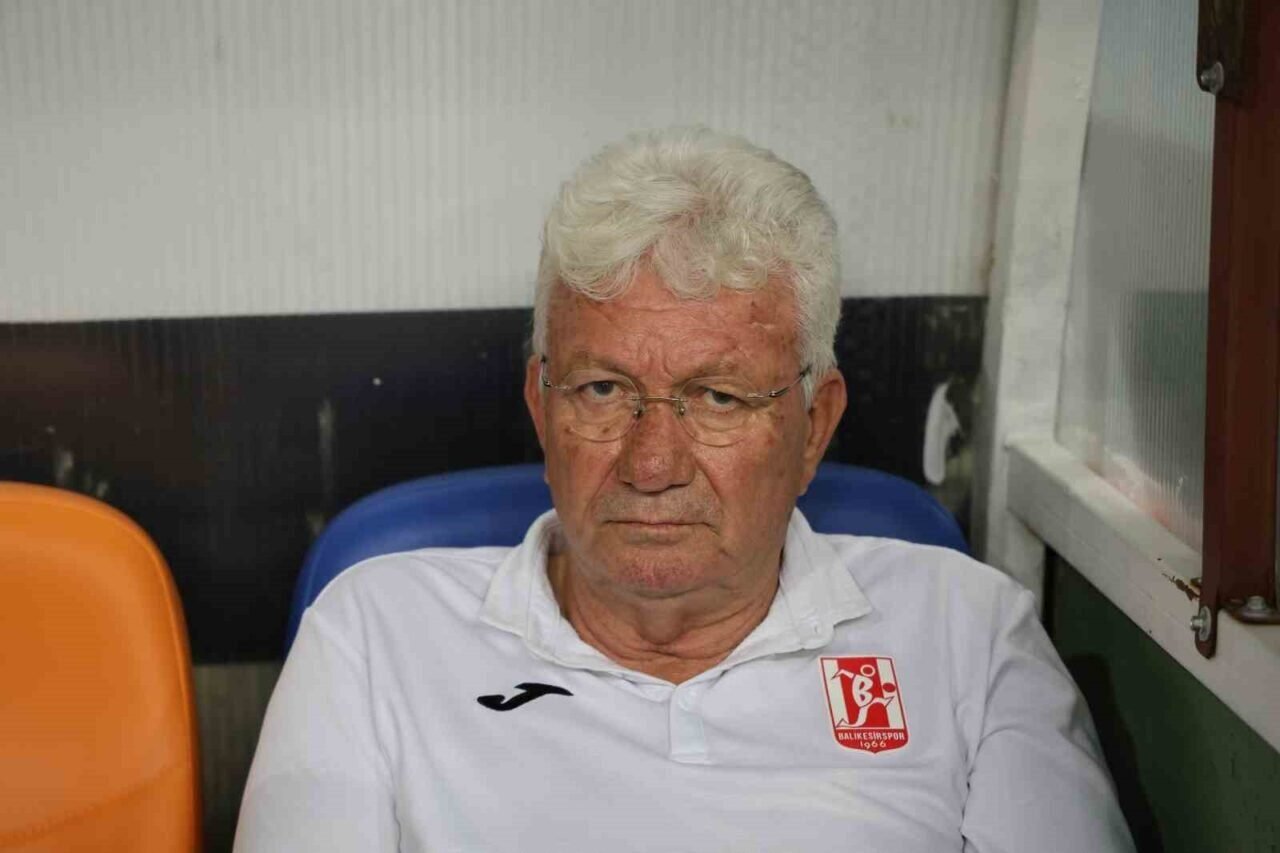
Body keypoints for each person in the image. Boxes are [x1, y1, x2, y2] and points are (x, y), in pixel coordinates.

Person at [235, 127, 1134, 852]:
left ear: (814, 424)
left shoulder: (969, 634)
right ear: (541, 408)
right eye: (602, 390)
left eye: (718, 398)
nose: (652, 463)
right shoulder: (375, 634)